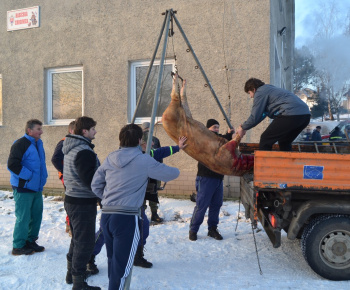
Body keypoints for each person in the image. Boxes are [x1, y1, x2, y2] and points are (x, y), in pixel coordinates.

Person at [91, 124, 180, 290]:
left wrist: (109, 199)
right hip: (127, 219)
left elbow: (95, 185)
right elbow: (172, 173)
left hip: (107, 215)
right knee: (123, 267)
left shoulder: (111, 157)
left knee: (113, 261)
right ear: (140, 140)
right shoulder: (143, 159)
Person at [134, 134, 187, 268]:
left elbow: (161, 151)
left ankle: (137, 256)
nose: (152, 145)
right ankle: (90, 257)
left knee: (143, 226)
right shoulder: (138, 157)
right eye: (150, 143)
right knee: (110, 232)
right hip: (125, 203)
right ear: (142, 143)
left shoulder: (147, 154)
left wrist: (177, 147)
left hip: (137, 203)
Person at [63, 116, 101, 290]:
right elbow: (90, 180)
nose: (95, 132)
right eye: (93, 129)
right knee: (85, 242)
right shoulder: (83, 151)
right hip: (82, 202)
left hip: (73, 198)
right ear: (84, 131)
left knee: (78, 239)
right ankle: (79, 281)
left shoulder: (73, 147)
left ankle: (72, 274)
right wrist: (102, 193)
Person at [189, 119, 234, 241]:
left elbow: (223, 144)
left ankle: (212, 229)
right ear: (207, 129)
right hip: (205, 177)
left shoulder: (218, 139)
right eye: (214, 127)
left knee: (216, 205)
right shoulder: (204, 139)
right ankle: (193, 230)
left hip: (218, 177)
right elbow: (216, 141)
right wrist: (227, 136)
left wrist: (229, 135)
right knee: (201, 205)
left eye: (218, 127)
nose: (216, 129)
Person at [7, 119, 48, 255]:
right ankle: (18, 246)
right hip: (23, 187)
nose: (41, 131)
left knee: (36, 216)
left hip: (36, 187)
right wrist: (29, 176)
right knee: (23, 217)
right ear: (29, 130)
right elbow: (12, 164)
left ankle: (30, 241)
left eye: (41, 129)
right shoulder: (20, 144)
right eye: (38, 129)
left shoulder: (38, 143)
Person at [236, 78, 311, 151]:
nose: (251, 96)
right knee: (284, 141)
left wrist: (243, 127)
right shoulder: (270, 89)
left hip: (291, 114)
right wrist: (245, 127)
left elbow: (255, 116)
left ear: (254, 89)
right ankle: (287, 163)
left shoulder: (260, 92)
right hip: (305, 116)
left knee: (265, 139)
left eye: (249, 93)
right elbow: (261, 115)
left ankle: (264, 163)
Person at [51, 120, 75, 235]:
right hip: (67, 177)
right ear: (71, 130)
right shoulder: (64, 142)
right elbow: (55, 159)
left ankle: (69, 224)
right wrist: (65, 172)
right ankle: (70, 225)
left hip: (73, 177)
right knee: (71, 201)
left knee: (73, 200)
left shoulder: (75, 142)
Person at [141, 121, 163, 222]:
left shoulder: (138, 140)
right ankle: (154, 214)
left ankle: (142, 215)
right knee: (153, 193)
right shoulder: (155, 139)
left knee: (142, 193)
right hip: (153, 171)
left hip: (141, 172)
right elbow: (159, 155)